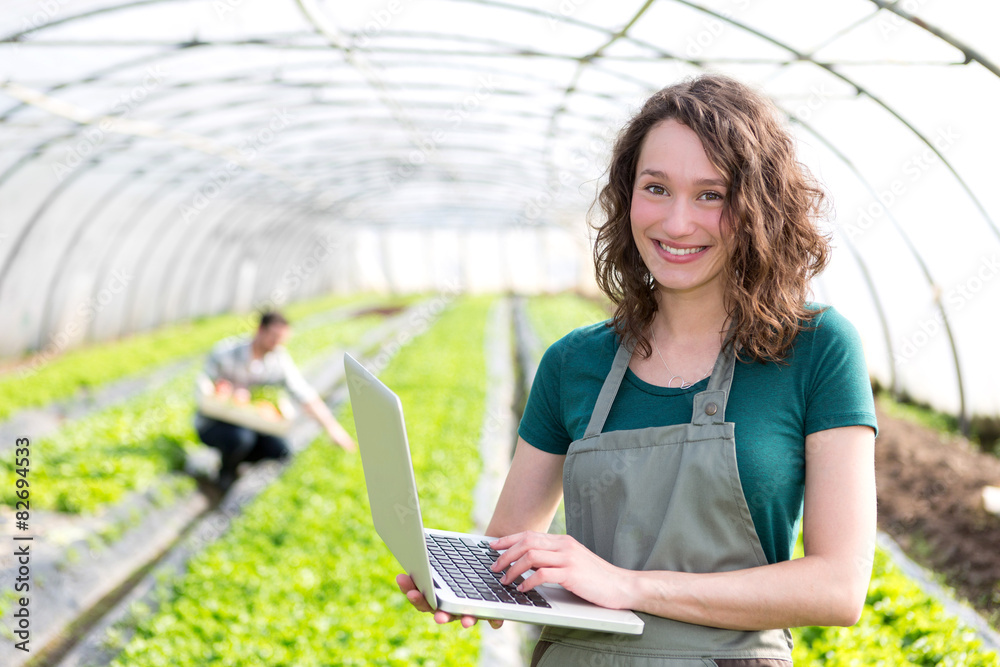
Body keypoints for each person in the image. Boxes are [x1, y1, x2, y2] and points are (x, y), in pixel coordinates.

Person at [398, 73, 878, 666]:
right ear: (627, 196)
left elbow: (837, 588)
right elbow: (506, 554)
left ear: (760, 207)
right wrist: (457, 578)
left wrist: (628, 586)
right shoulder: (574, 363)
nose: (677, 223)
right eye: (656, 188)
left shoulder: (816, 349)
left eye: (713, 194)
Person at [196, 311, 356, 491]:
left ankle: (237, 461)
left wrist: (332, 428)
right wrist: (227, 391)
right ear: (260, 330)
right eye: (273, 337)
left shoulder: (278, 360)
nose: (277, 343)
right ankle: (226, 473)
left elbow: (303, 393)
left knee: (280, 450)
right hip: (215, 422)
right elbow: (204, 386)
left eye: (281, 339)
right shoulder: (226, 352)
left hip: (253, 422)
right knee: (240, 438)